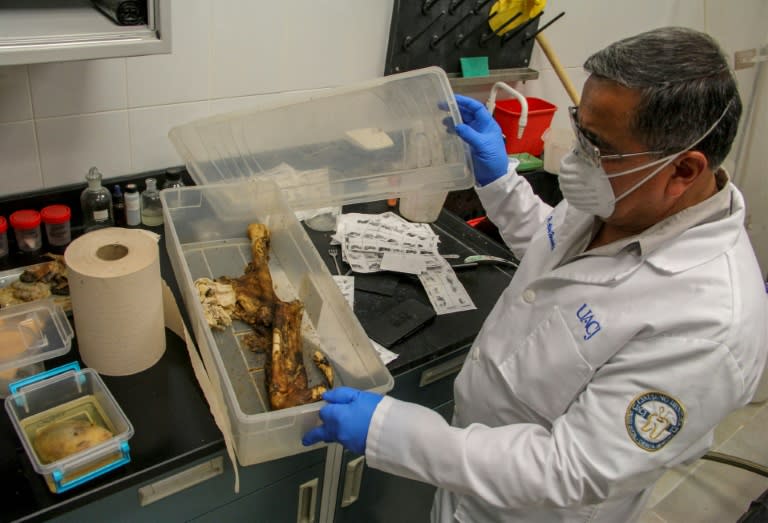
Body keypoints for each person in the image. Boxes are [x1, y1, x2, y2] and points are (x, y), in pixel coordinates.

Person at [303, 26, 768, 522]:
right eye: (579, 126)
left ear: (683, 171)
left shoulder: (708, 326)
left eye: (598, 144)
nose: (575, 159)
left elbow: (570, 470)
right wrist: (499, 181)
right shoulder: (627, 198)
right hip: (470, 481)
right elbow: (554, 245)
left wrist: (391, 431)